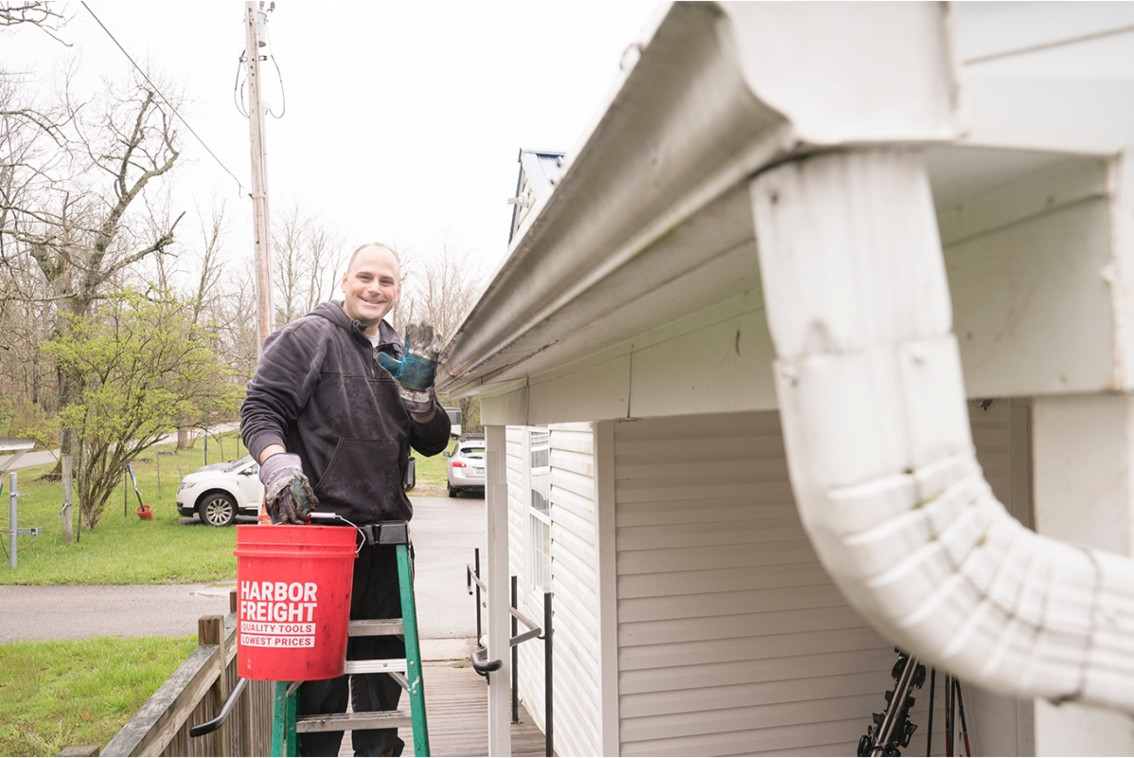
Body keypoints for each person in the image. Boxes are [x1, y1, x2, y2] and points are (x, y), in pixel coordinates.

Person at [240, 242, 451, 757]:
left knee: (384, 675)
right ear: (345, 280)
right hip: (321, 544)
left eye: (386, 281)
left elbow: (433, 441)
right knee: (318, 679)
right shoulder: (308, 336)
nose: (374, 288)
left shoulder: (401, 355)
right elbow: (260, 410)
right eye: (365, 277)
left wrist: (421, 401)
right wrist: (277, 466)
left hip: (386, 543)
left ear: (397, 291)